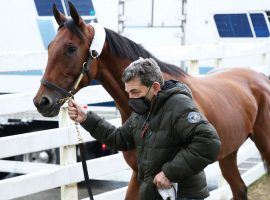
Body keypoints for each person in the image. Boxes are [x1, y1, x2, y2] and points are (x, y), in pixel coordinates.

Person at [68, 58, 221, 200]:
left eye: (135, 92)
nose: (131, 99)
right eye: (128, 92)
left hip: (183, 195)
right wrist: (87, 118)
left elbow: (209, 142)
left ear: (155, 87)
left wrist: (170, 173)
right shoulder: (142, 111)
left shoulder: (179, 105)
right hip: (155, 194)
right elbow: (118, 139)